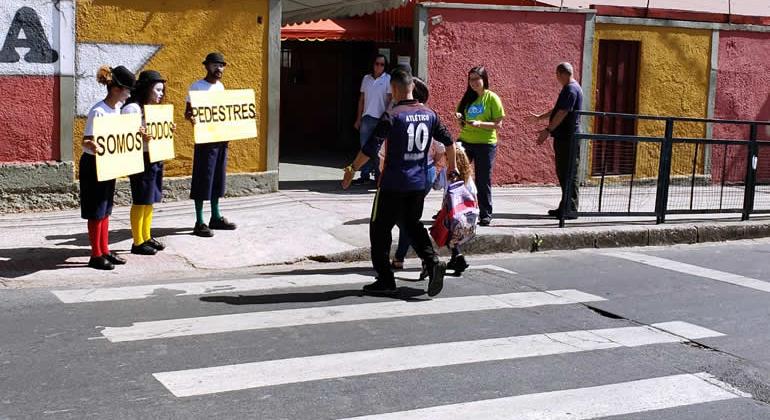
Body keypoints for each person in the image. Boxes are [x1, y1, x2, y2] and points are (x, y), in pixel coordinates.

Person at [342, 68, 457, 297]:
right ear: (412, 87)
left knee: (379, 230)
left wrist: (352, 169)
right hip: (417, 183)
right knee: (412, 224)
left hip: (393, 183)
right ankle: (433, 262)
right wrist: (452, 170)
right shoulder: (430, 114)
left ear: (394, 89)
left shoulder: (393, 116)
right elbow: (450, 142)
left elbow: (370, 148)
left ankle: (385, 278)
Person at [80, 65, 135, 270]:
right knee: (96, 210)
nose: (129, 93)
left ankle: (104, 249)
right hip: (94, 164)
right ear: (115, 89)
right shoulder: (98, 111)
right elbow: (86, 141)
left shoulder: (117, 109)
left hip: (108, 162)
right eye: (127, 89)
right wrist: (94, 146)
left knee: (106, 208)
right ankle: (95, 255)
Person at [389, 76, 444, 270]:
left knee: (405, 218)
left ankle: (415, 257)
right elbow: (442, 148)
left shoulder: (400, 115)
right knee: (409, 218)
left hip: (409, 175)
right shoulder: (429, 115)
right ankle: (420, 257)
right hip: (425, 172)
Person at [185, 52, 237, 237]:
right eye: (215, 65)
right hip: (205, 141)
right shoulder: (197, 87)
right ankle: (199, 221)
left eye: (222, 65)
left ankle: (215, 216)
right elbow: (188, 113)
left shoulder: (221, 87)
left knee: (217, 178)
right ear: (207, 66)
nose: (219, 68)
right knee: (203, 178)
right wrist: (194, 120)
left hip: (220, 140)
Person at [122, 70, 172, 255]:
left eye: (162, 91)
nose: (160, 94)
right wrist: (140, 134)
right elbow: (123, 136)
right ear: (146, 89)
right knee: (141, 199)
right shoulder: (133, 109)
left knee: (150, 199)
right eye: (157, 90)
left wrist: (166, 129)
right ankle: (137, 242)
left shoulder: (153, 110)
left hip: (154, 157)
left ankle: (146, 236)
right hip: (140, 158)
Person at [532, 62, 584, 219]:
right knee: (563, 172)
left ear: (562, 74)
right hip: (564, 137)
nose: (557, 78)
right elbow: (557, 109)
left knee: (569, 172)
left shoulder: (570, 89)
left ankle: (571, 208)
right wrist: (540, 117)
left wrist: (548, 130)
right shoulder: (570, 89)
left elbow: (562, 112)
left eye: (557, 75)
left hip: (569, 137)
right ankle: (565, 206)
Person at [455, 66, 505, 226]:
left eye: (477, 79)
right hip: (465, 141)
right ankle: (451, 209)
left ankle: (485, 213)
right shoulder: (467, 98)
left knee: (483, 180)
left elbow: (498, 124)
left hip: (485, 145)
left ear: (484, 79)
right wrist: (460, 118)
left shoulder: (492, 98)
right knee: (455, 176)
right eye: (471, 79)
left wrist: (480, 124)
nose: (474, 82)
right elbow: (462, 123)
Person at [352, 54, 392, 185]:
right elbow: (361, 99)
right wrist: (358, 118)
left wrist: (387, 117)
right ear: (373, 64)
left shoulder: (388, 79)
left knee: (378, 149)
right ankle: (364, 175)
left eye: (382, 64)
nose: (379, 67)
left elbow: (390, 100)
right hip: (367, 118)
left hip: (381, 119)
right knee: (365, 148)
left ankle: (378, 176)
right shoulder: (366, 79)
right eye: (377, 63)